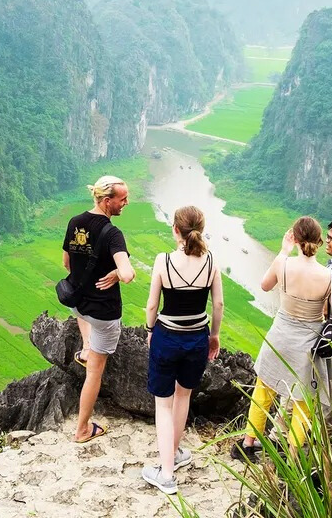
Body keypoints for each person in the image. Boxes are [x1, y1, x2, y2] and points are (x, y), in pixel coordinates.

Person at [232, 216, 332, 460]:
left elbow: (264, 286)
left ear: (294, 237)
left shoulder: (283, 263)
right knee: (303, 402)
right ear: (319, 240)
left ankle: (248, 444)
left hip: (279, 337)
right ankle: (292, 456)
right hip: (307, 346)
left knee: (264, 391)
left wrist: (283, 251)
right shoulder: (330, 276)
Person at [141, 206, 224, 495]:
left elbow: (152, 305)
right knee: (183, 396)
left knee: (163, 405)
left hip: (167, 336)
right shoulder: (211, 261)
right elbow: (218, 305)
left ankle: (165, 474)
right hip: (197, 338)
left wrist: (149, 330)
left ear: (175, 230)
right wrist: (214, 336)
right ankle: (174, 454)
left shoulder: (163, 261)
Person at [62, 175, 135, 443]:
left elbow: (67, 263)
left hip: (79, 304)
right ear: (106, 201)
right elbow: (127, 275)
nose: (126, 203)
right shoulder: (113, 234)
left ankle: (86, 347)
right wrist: (117, 272)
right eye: (122, 199)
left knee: (84, 319)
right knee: (94, 373)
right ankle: (82, 428)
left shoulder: (75, 222)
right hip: (103, 312)